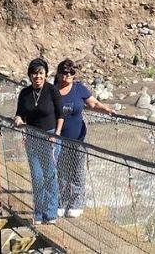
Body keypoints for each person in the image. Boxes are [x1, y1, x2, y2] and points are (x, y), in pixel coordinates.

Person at [53, 58, 116, 218]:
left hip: (78, 138)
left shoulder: (79, 89)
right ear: (59, 74)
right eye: (64, 72)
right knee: (60, 172)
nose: (67, 75)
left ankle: (76, 204)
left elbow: (93, 104)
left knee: (77, 172)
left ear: (74, 75)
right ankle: (61, 202)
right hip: (57, 138)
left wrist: (107, 110)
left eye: (71, 73)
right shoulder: (52, 90)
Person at [13, 58, 63, 224]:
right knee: (37, 176)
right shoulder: (25, 93)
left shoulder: (52, 91)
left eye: (41, 73)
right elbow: (20, 113)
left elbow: (60, 115)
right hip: (32, 137)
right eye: (34, 73)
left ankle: (51, 213)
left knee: (50, 175)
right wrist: (18, 119)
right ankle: (39, 213)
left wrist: (56, 134)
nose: (38, 76)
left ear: (46, 74)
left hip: (50, 137)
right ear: (30, 75)